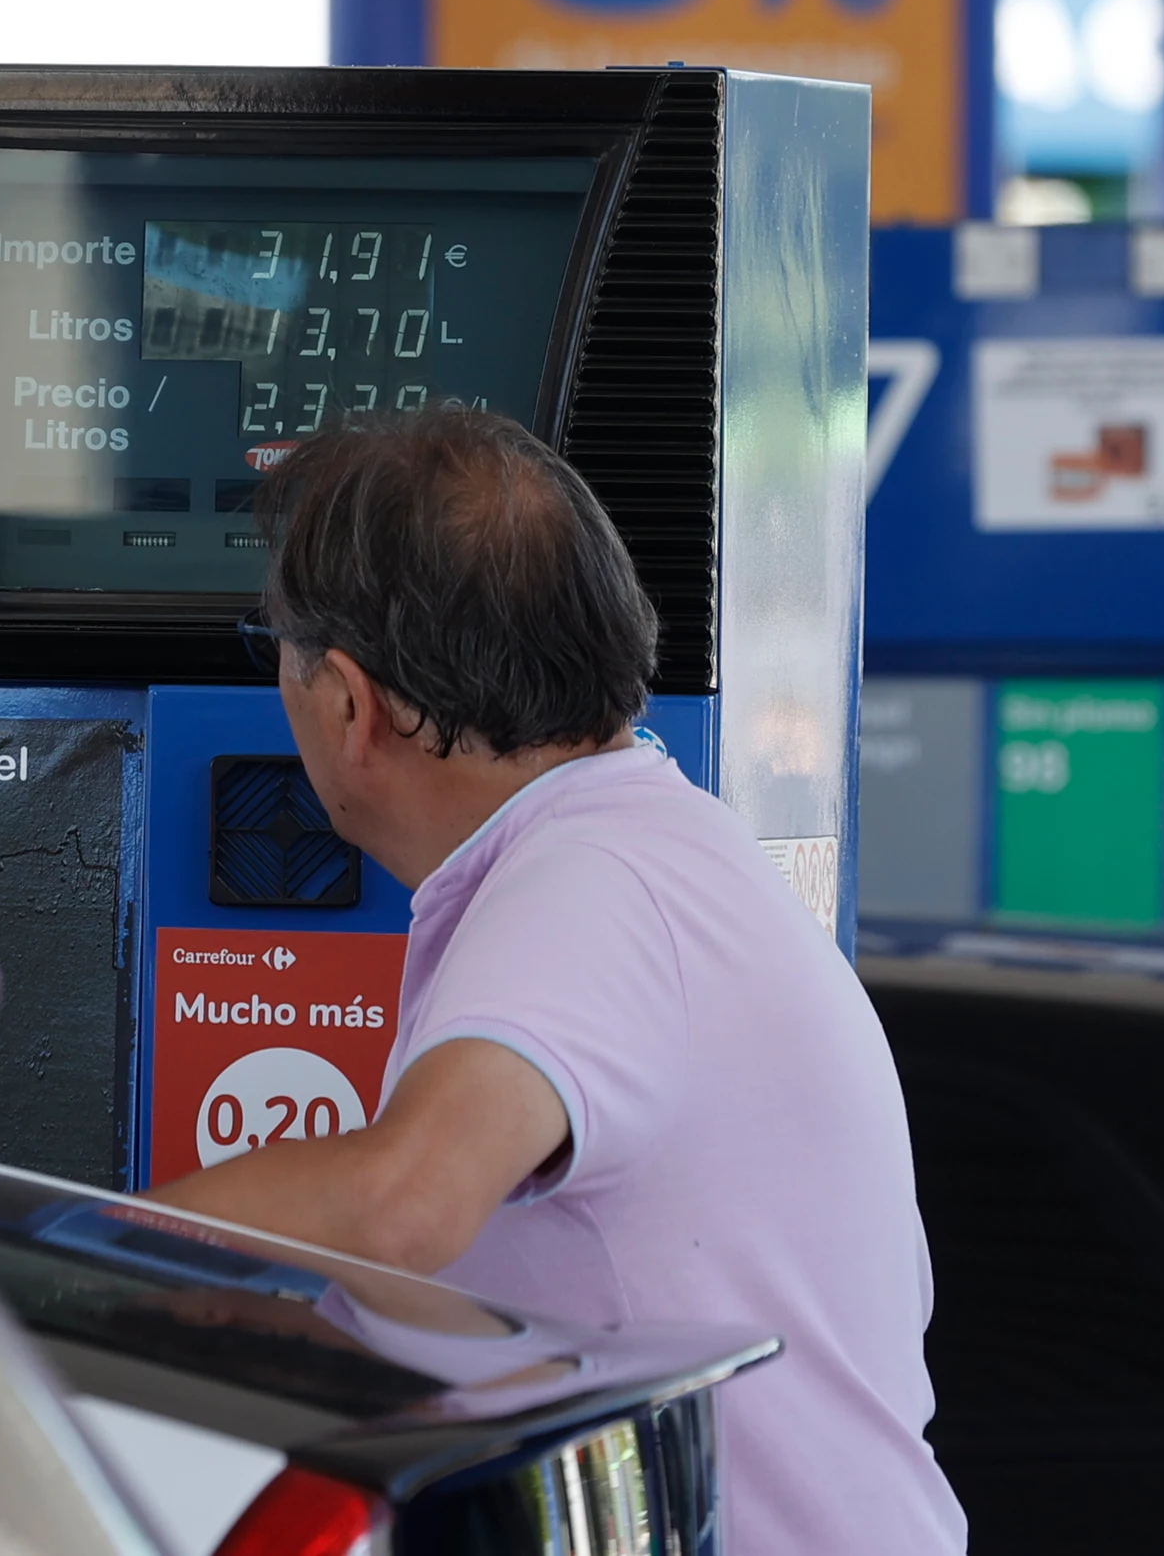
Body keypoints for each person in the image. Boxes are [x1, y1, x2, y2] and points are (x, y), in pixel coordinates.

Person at [146, 408, 965, 1555]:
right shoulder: (630, 848)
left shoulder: (596, 883)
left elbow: (403, 1203)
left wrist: (57, 1262)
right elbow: (469, 1312)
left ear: (346, 701)